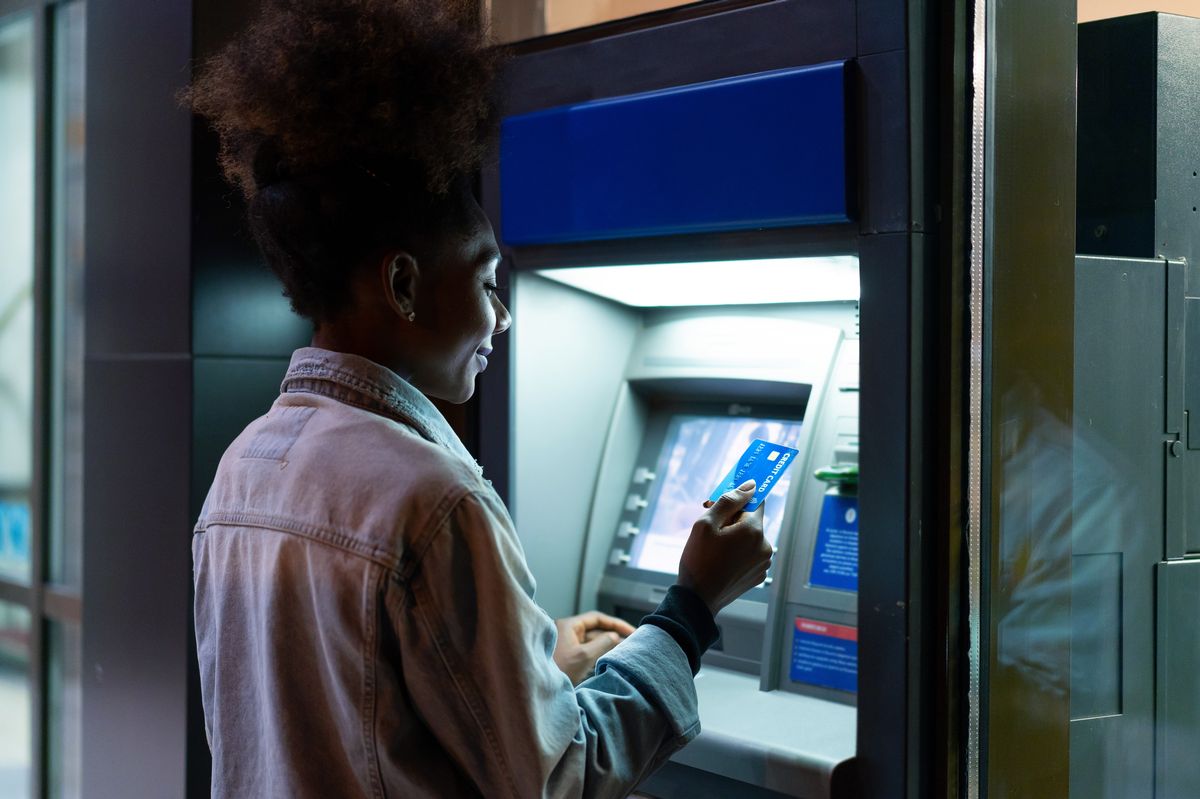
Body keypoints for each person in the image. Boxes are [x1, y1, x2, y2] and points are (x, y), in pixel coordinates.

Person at [186, 1, 773, 796]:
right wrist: (692, 607)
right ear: (403, 283)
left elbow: (342, 709)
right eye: (488, 280)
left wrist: (531, 656)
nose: (502, 316)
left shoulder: (243, 469)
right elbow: (563, 774)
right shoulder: (430, 500)